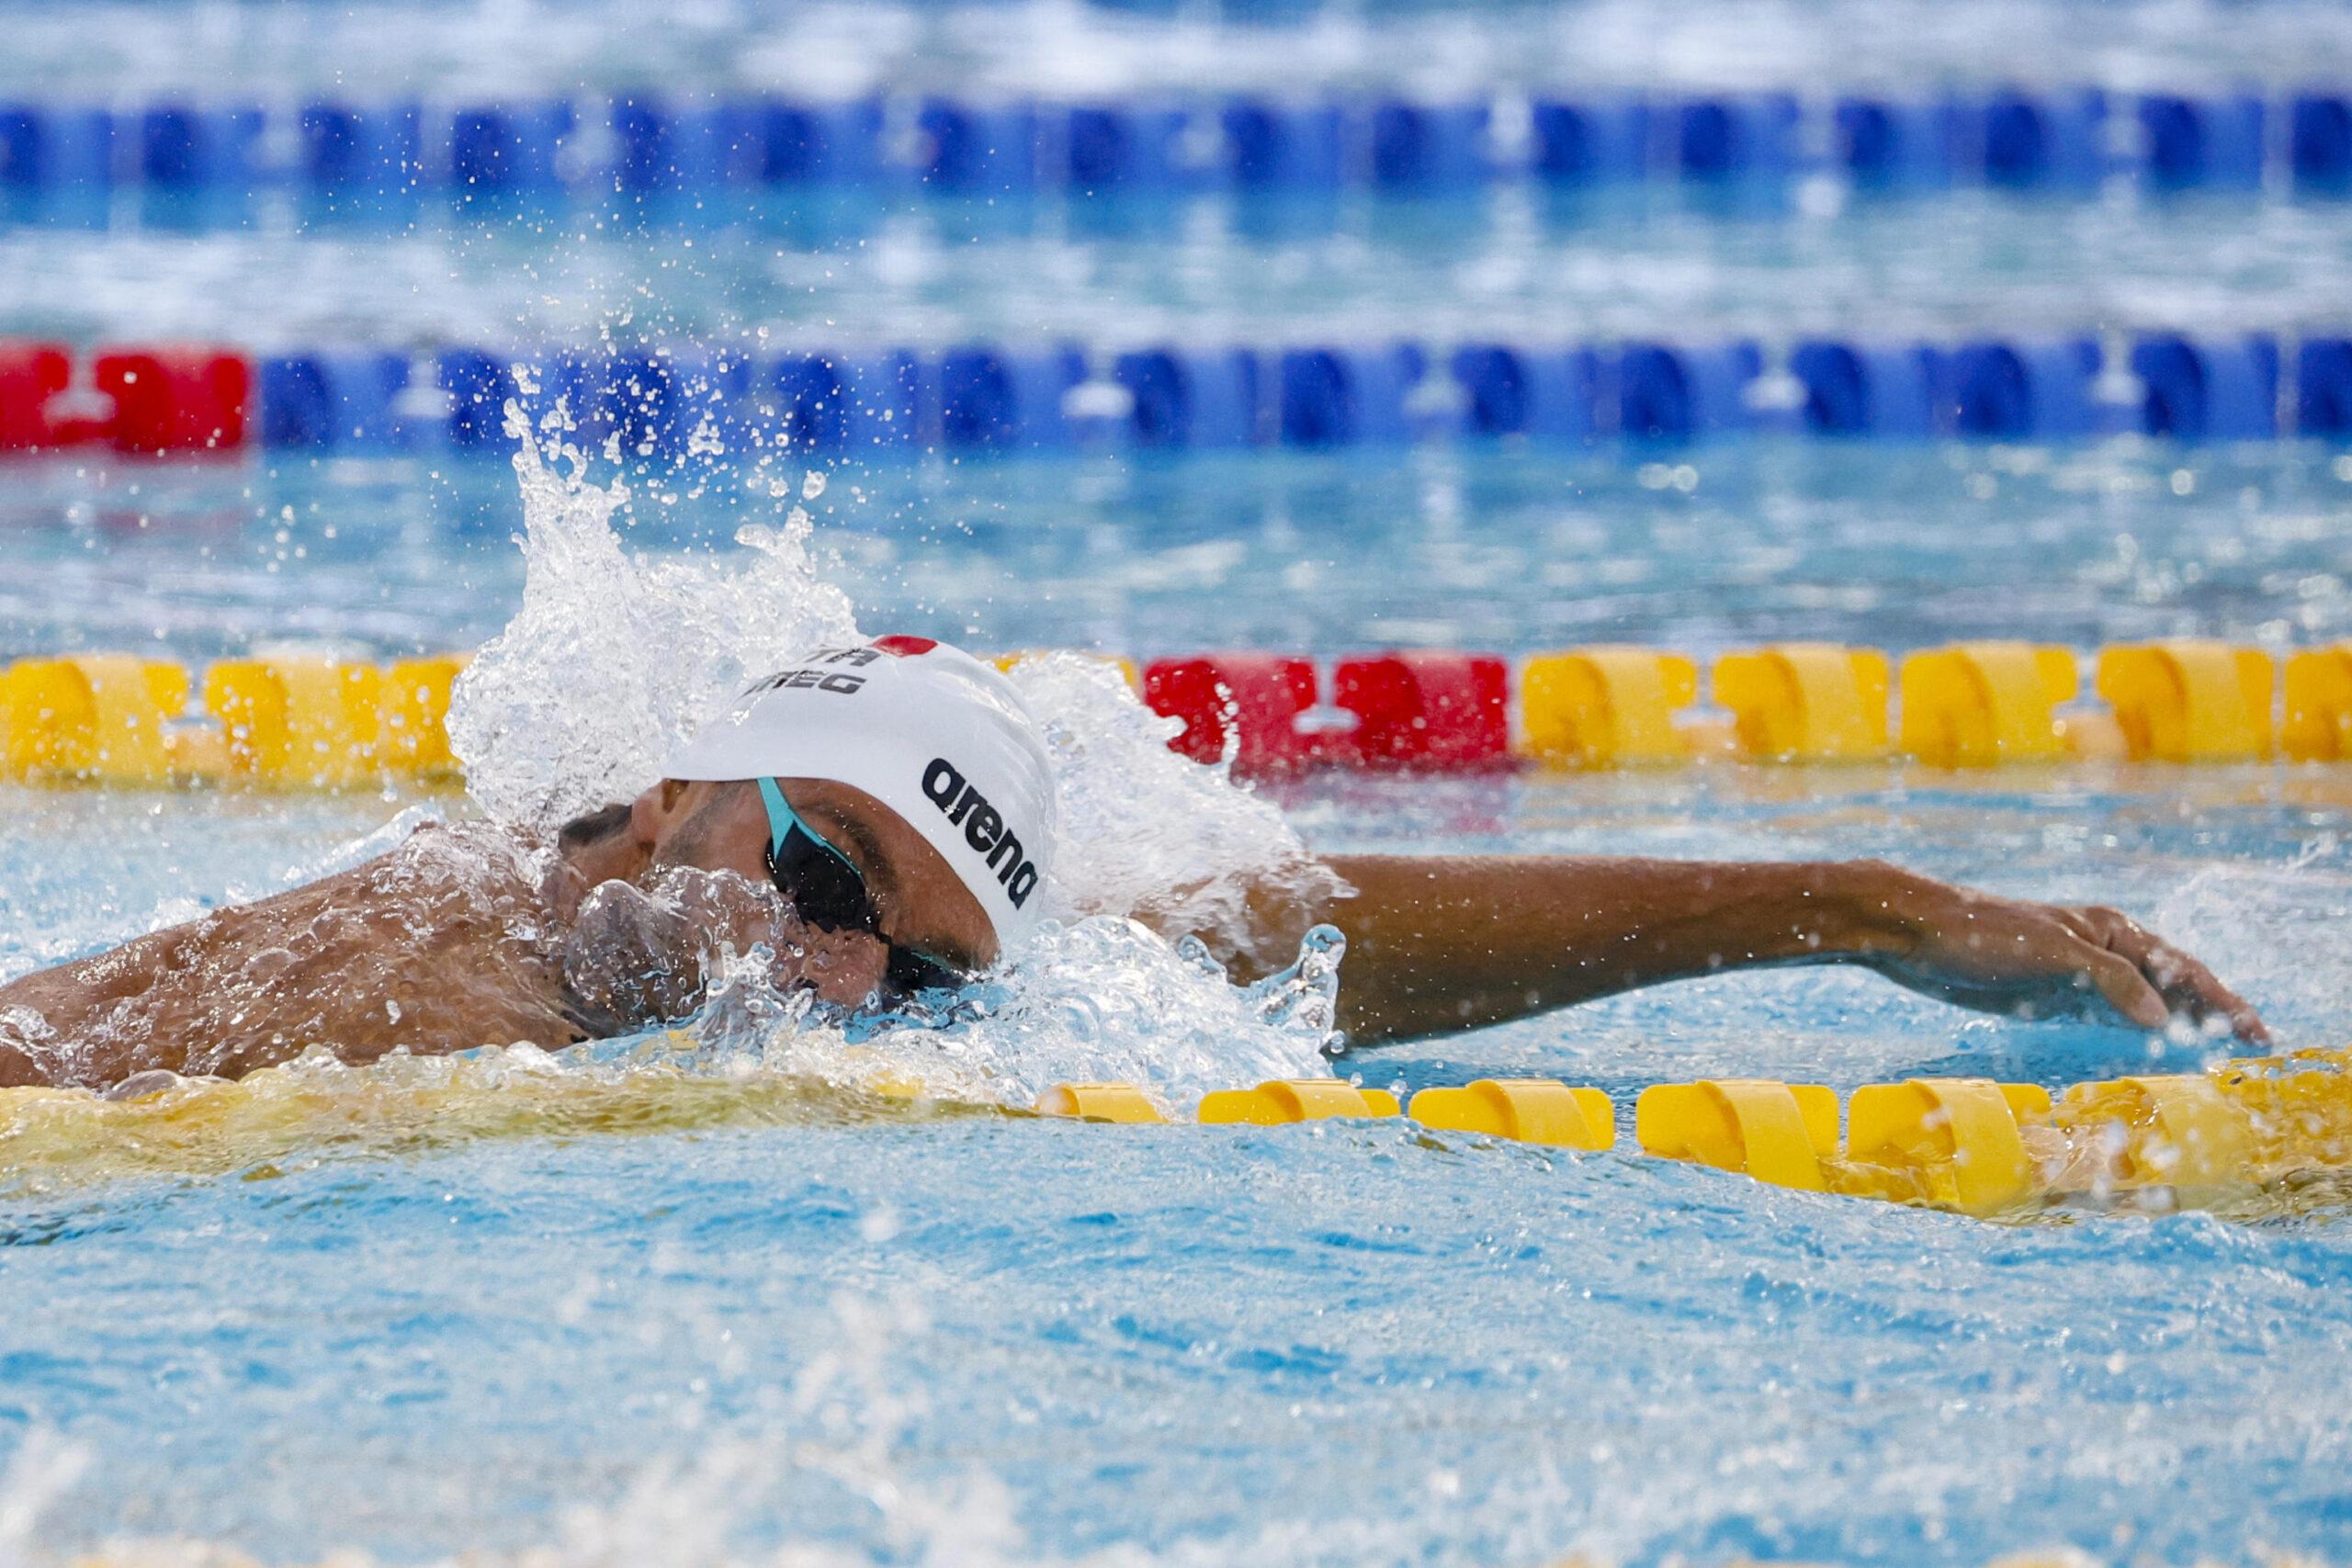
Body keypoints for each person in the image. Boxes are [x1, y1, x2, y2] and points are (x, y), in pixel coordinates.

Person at [0, 637, 2266, 1093]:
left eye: (918, 959)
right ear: (659, 795)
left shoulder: (846, 972)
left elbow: (1287, 942)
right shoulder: (436, 965)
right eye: (820, 868)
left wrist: (1854, 900)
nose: (835, 973)